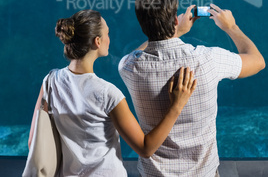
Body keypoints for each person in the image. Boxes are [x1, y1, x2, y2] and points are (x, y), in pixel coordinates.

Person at [118, 0, 266, 177]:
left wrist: (174, 31)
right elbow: (258, 61)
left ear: (141, 23)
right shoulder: (207, 60)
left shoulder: (128, 67)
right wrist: (231, 27)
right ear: (174, 19)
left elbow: (140, 52)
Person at [28, 9, 197, 177]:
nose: (110, 38)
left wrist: (174, 33)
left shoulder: (50, 81)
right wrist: (177, 105)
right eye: (107, 33)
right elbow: (146, 148)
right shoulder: (107, 94)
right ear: (97, 41)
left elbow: (33, 142)